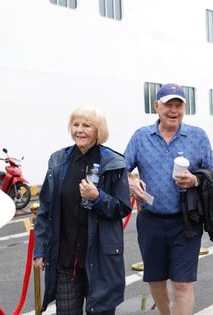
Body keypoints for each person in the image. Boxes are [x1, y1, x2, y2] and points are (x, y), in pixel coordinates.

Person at [124, 83, 213, 315]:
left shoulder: (198, 136)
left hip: (186, 221)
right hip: (150, 220)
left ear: (184, 108)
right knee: (155, 280)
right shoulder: (141, 136)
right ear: (157, 106)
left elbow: (210, 176)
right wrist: (130, 182)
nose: (173, 110)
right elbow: (120, 170)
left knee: (183, 283)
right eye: (168, 105)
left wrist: (194, 180)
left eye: (178, 105)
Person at [33, 106, 131, 315]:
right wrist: (40, 248)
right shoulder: (59, 161)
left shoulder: (114, 163)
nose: (79, 130)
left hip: (101, 257)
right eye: (75, 124)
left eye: (86, 125)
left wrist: (98, 198)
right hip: (66, 258)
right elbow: (45, 209)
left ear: (98, 131)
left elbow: (122, 207)